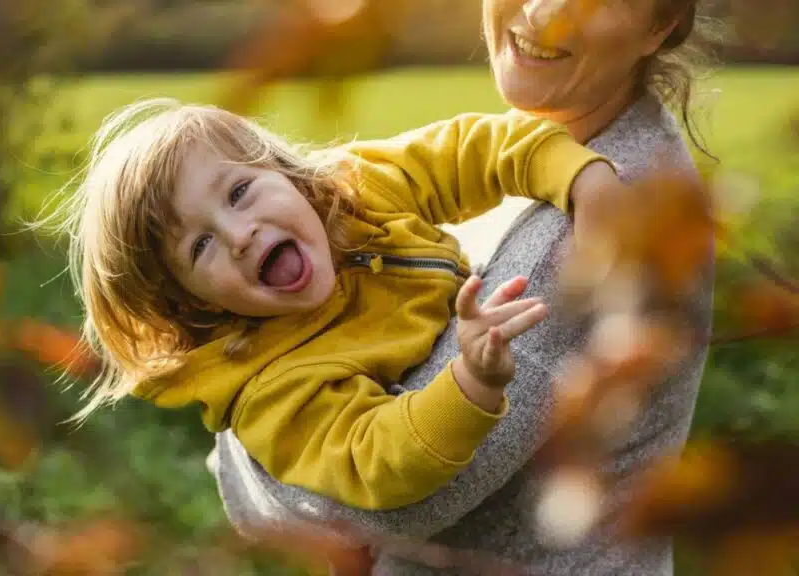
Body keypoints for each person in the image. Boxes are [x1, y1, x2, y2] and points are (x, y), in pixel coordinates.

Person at [211, 0, 718, 573]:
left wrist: (245, 413)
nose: (542, 12)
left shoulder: (595, 217)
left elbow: (396, 505)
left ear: (661, 27)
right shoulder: (529, 155)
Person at [55, 96, 627, 511]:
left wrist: (581, 177)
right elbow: (373, 458)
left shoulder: (356, 191)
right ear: (192, 303)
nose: (239, 233)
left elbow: (472, 149)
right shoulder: (273, 389)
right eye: (200, 244)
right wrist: (470, 383)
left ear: (286, 173)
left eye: (239, 191)